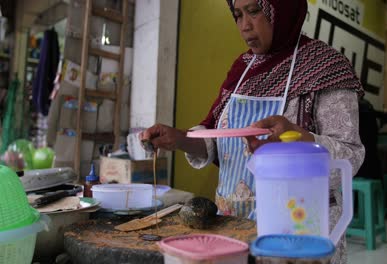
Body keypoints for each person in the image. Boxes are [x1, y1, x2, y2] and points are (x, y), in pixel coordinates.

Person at [140, 0, 364, 262]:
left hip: (299, 229)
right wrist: (181, 139)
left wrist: (297, 138)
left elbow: (351, 155)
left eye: (254, 11)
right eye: (237, 15)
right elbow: (221, 142)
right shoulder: (242, 70)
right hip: (233, 223)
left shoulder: (325, 67)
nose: (244, 26)